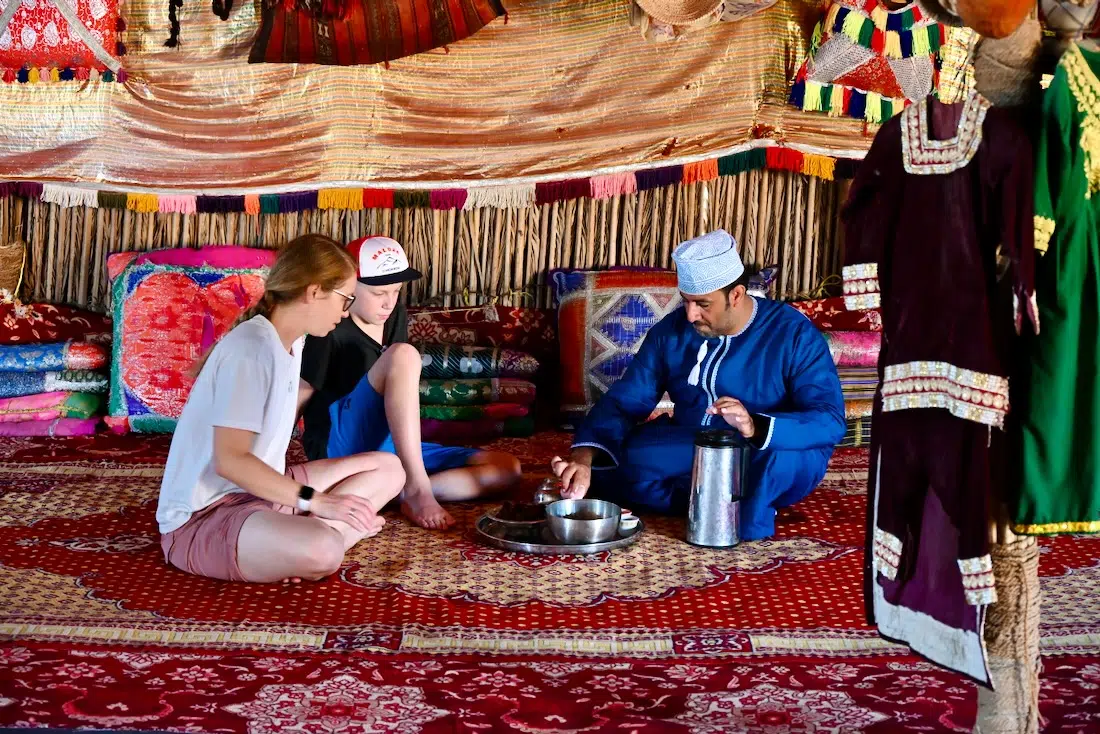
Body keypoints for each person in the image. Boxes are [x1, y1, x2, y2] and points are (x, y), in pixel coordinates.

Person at [550, 229, 845, 540]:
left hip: (765, 451)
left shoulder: (794, 334)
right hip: (696, 447)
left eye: (702, 304)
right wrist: (583, 458)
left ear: (736, 295)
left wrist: (754, 426)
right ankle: (713, 499)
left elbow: (829, 420)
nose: (691, 315)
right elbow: (626, 401)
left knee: (781, 460)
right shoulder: (671, 331)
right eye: (686, 301)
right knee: (624, 460)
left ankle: (723, 504)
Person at [157, 234, 406, 584]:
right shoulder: (251, 350)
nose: (346, 310)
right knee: (325, 551)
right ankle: (307, 542)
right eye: (344, 298)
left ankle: (285, 545)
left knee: (391, 469)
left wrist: (310, 502)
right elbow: (231, 462)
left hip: (260, 495)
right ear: (314, 292)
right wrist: (315, 502)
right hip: (206, 516)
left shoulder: (294, 342)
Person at [299, 236, 521, 530]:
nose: (389, 302)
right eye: (379, 293)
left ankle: (397, 491)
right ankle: (418, 487)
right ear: (350, 285)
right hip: (339, 445)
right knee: (404, 354)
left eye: (396, 291)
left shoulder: (395, 316)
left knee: (507, 469)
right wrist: (270, 467)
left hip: (388, 447)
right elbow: (301, 394)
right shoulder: (329, 326)